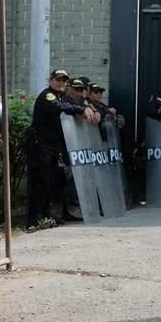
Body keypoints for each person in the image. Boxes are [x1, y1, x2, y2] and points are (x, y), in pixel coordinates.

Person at [25, 69, 100, 229]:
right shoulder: (48, 95)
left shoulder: (61, 96)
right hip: (40, 145)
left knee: (50, 182)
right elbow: (59, 107)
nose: (61, 83)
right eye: (58, 79)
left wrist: (90, 109)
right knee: (40, 182)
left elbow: (72, 105)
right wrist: (81, 110)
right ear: (50, 80)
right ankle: (33, 220)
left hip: (52, 146)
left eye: (64, 80)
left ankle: (44, 217)